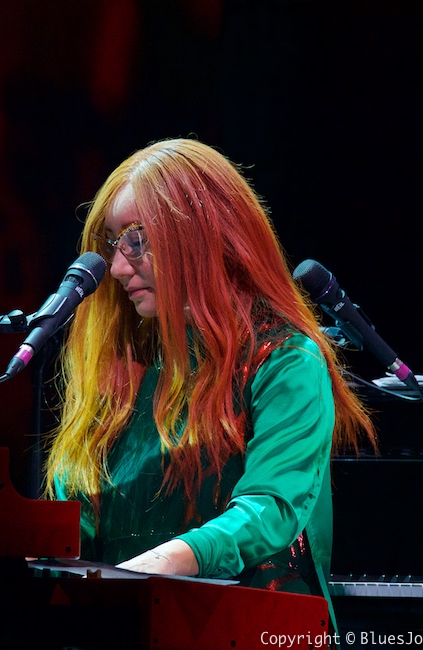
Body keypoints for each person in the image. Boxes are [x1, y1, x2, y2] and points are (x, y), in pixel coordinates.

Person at [45, 137, 376, 635]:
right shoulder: (124, 368)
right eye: (113, 243)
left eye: (136, 238)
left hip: (248, 629)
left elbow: (270, 510)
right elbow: (80, 516)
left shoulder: (285, 360)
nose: (114, 268)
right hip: (123, 629)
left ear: (198, 235)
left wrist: (149, 568)